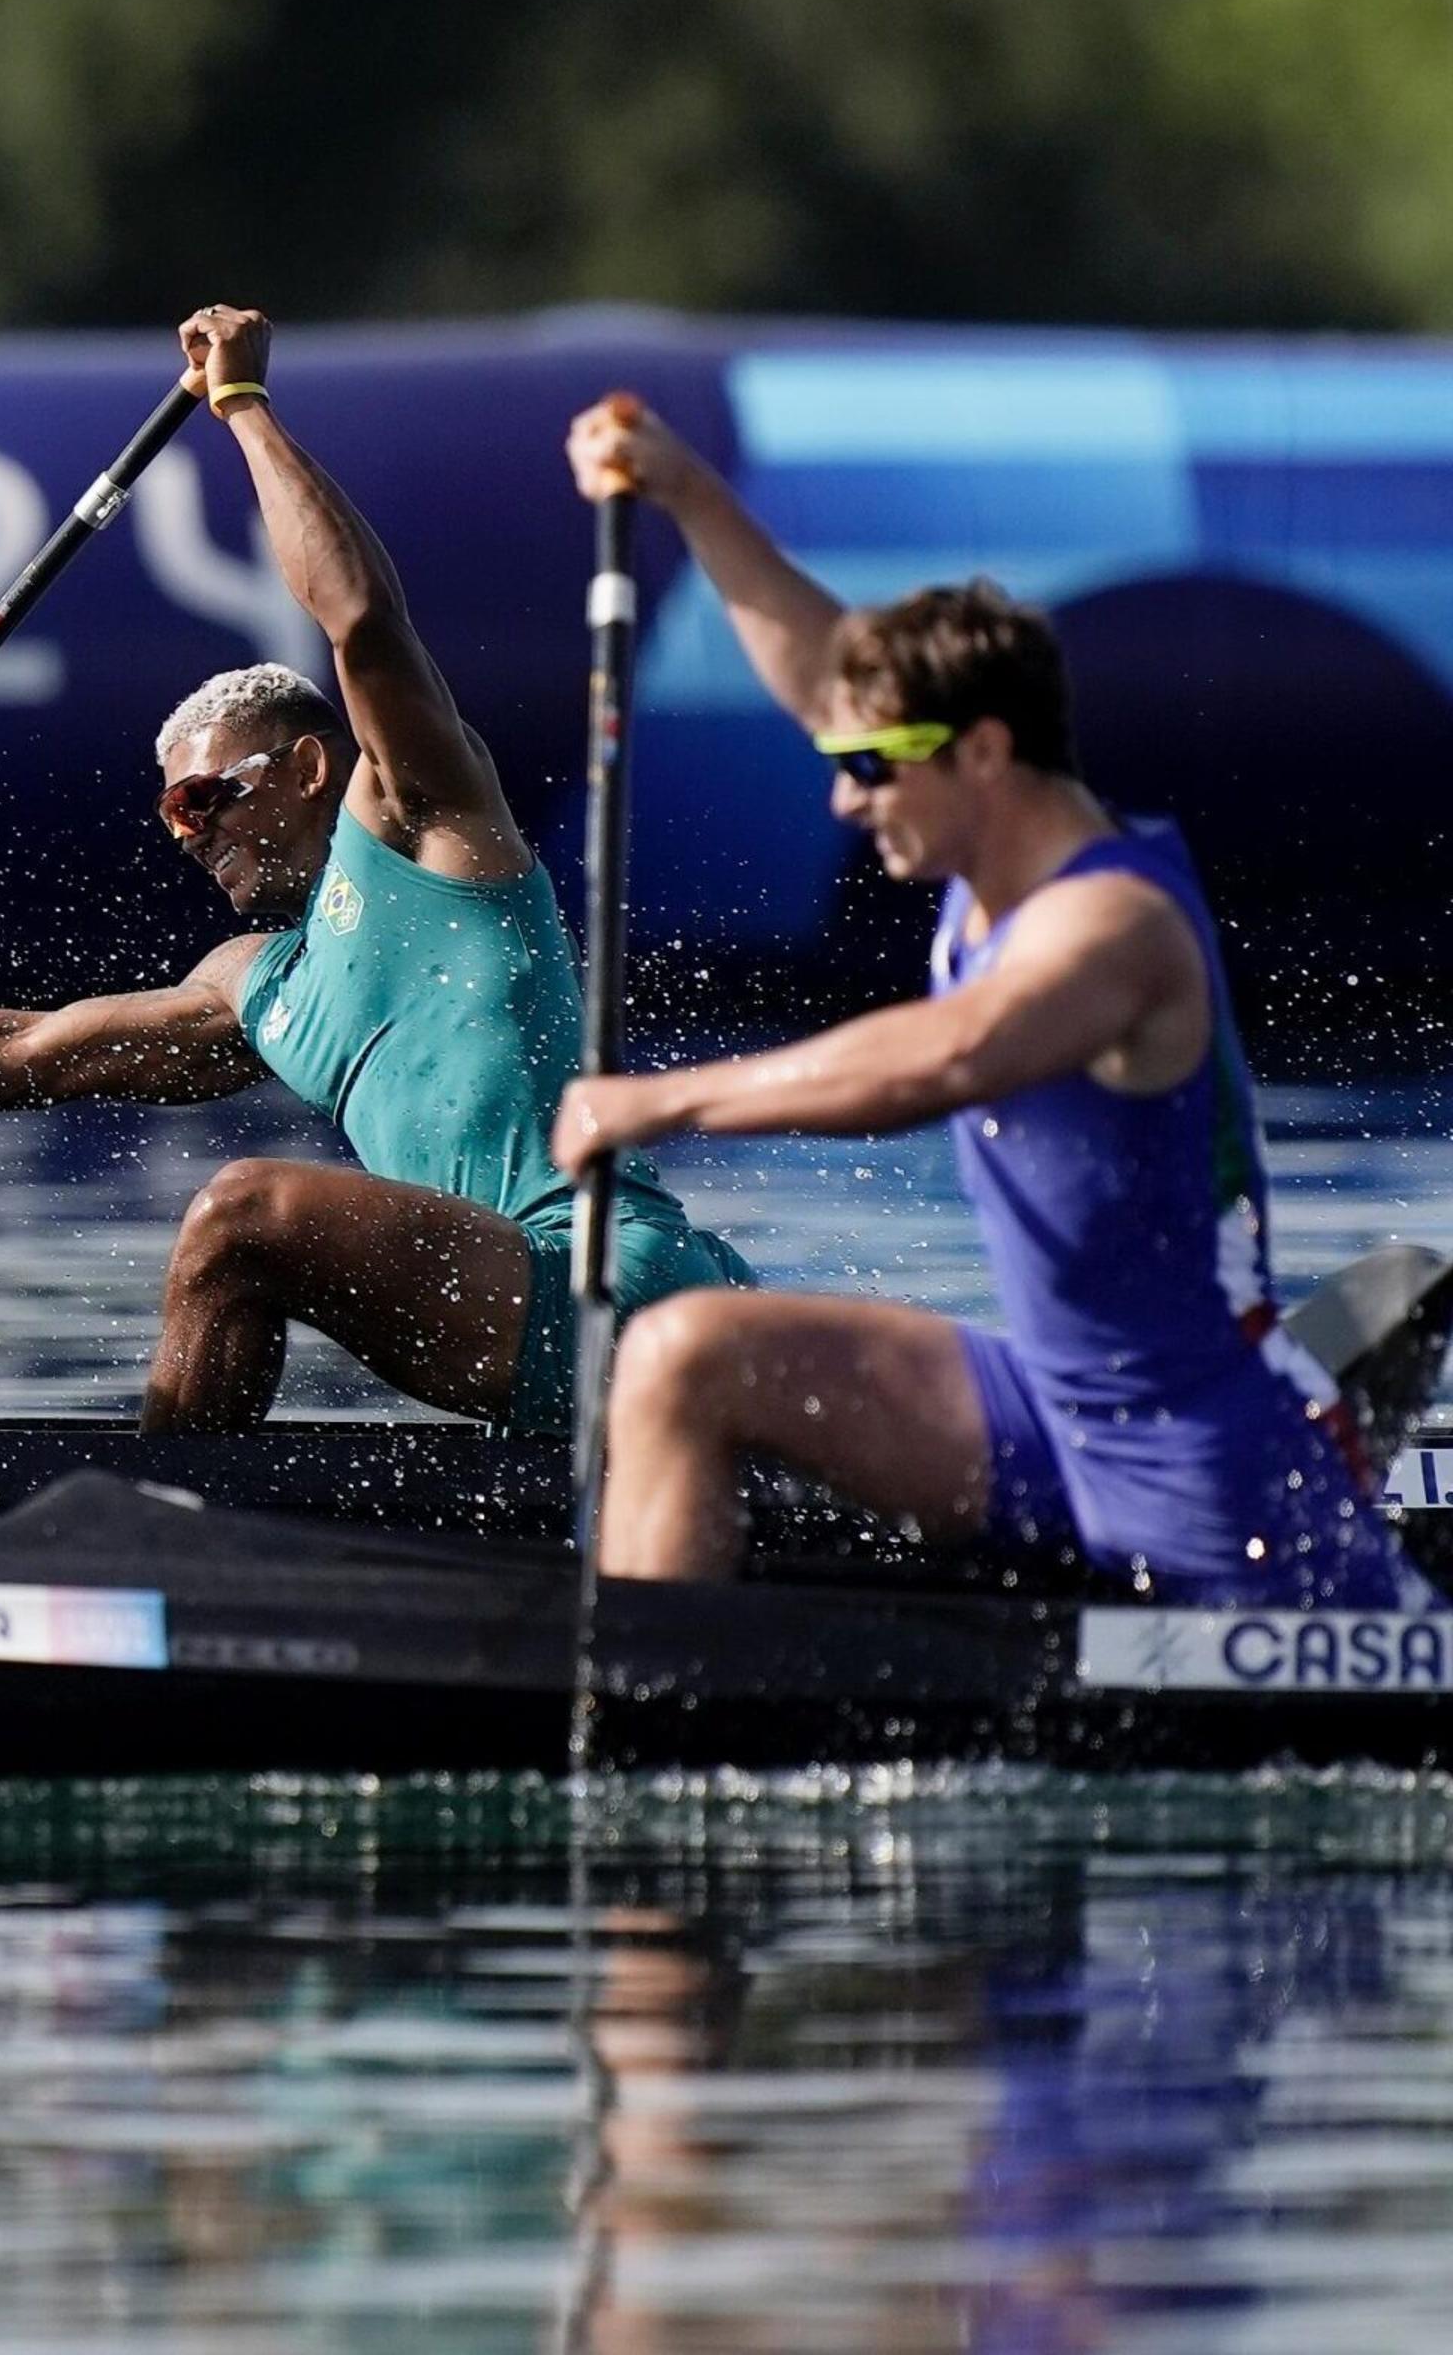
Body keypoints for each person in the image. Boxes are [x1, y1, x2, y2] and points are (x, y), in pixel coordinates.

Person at [0, 305, 753, 1434]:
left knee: (243, 1212)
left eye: (203, 797)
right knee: (246, 1249)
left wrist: (245, 409)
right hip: (515, 1316)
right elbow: (9, 1058)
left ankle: (162, 1519)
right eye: (167, 813)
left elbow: (358, 619)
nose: (188, 833)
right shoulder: (255, 984)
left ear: (308, 768)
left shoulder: (420, 819)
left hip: (614, 1284)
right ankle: (212, 1516)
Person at [551, 396, 1417, 1606]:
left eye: (870, 770)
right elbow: (822, 674)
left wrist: (658, 1102)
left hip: (1205, 1461)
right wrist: (684, 488)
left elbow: (949, 1058)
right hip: (1047, 1413)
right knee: (683, 1354)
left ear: (985, 753)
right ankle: (655, 1693)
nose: (847, 801)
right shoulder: (971, 841)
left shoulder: (1113, 925)